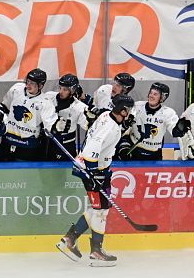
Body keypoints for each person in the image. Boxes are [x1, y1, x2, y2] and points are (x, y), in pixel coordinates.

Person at [56, 94, 136, 267]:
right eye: (128, 111)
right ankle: (96, 251)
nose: (129, 114)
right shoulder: (110, 127)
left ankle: (69, 239)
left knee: (99, 208)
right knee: (101, 210)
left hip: (95, 169)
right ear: (122, 110)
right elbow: (91, 150)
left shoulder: (107, 115)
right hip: (94, 170)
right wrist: (94, 175)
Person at [117, 82, 182, 161]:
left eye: (155, 94)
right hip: (133, 150)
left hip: (154, 154)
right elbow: (121, 126)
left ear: (162, 98)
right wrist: (126, 123)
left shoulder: (168, 113)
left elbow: (175, 132)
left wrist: (180, 128)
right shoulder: (137, 106)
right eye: (151, 93)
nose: (151, 96)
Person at [1, 68, 52, 161]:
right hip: (8, 140)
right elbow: (5, 108)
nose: (28, 85)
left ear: (40, 85)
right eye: (27, 81)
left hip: (27, 146)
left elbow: (49, 127)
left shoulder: (45, 102)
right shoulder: (16, 89)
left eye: (32, 83)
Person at [41, 74, 89, 160]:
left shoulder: (79, 107)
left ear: (73, 90)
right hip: (47, 143)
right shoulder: (49, 97)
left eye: (65, 89)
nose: (61, 92)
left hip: (66, 145)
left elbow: (87, 126)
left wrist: (91, 118)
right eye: (60, 88)